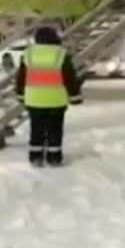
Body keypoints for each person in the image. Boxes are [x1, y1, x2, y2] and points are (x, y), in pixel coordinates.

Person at [13, 26, 84, 167]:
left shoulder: (28, 54)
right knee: (55, 130)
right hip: (55, 101)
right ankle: (54, 158)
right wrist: (75, 96)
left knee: (36, 130)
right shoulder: (61, 54)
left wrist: (20, 95)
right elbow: (69, 78)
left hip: (34, 100)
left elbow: (21, 77)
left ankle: (35, 157)